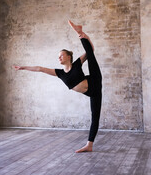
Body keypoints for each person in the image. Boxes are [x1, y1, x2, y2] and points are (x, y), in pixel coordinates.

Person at [14, 20, 102, 153]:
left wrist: (86, 37)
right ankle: (89, 145)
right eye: (58, 57)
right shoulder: (60, 73)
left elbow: (91, 50)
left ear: (68, 57)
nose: (59, 58)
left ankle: (79, 33)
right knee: (95, 116)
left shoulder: (77, 63)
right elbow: (40, 68)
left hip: (94, 80)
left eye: (61, 55)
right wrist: (23, 67)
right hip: (93, 93)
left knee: (90, 54)